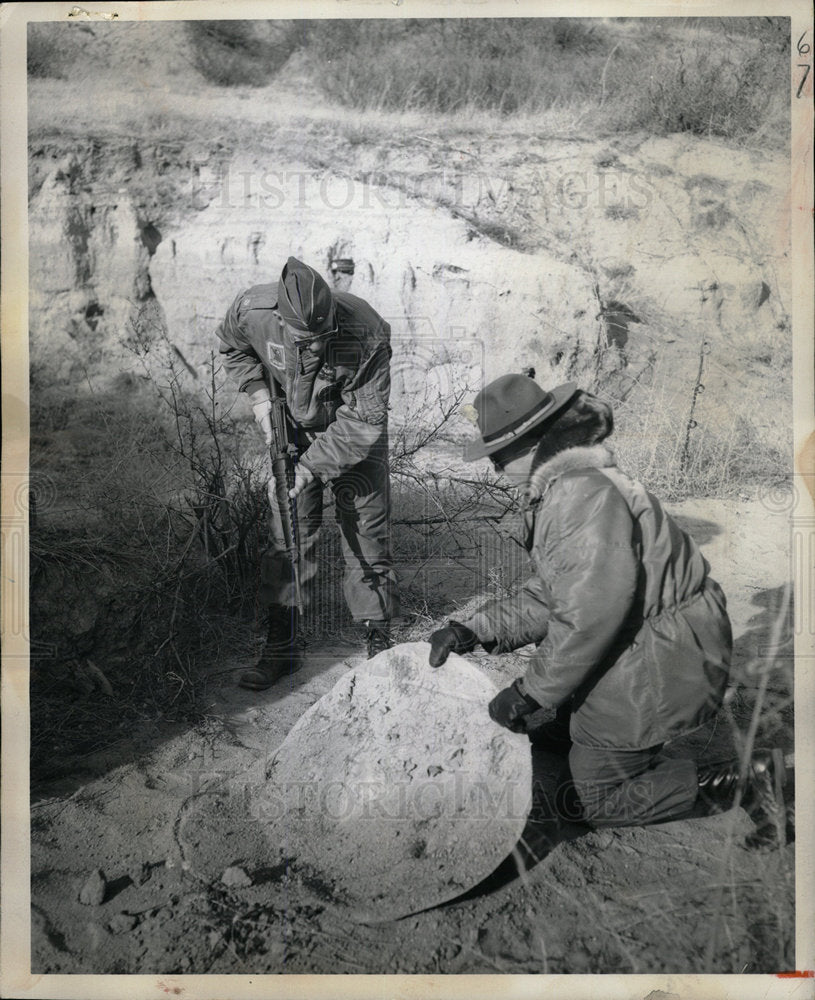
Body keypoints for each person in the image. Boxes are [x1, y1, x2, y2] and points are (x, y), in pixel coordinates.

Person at [428, 373, 787, 845]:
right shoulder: (572, 485)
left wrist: (530, 691)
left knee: (590, 801)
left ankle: (754, 781)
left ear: (531, 444)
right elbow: (558, 593)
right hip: (649, 636)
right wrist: (473, 629)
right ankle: (588, 730)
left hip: (665, 654)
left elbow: (589, 616)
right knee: (562, 738)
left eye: (498, 458)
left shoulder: (581, 495)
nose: (496, 470)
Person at [217, 256, 399, 689]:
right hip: (290, 427)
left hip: (352, 428)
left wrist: (311, 468)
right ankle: (282, 647)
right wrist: (260, 398)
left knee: (366, 531)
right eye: (304, 339)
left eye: (323, 337)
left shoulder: (366, 331)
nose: (315, 347)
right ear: (280, 318)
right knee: (288, 535)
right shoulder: (252, 311)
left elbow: (366, 420)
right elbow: (233, 348)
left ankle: (377, 639)